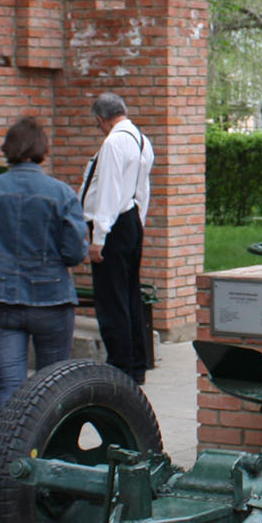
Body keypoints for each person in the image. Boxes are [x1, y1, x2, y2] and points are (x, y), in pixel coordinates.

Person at [0, 117, 89, 415]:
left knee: (9, 384)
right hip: (52, 298)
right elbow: (74, 252)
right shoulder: (60, 193)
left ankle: (6, 456)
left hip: (0, 297)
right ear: (43, 150)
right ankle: (46, 454)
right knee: (53, 385)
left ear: (7, 149)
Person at [79, 93, 155, 383]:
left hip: (112, 225)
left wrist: (98, 238)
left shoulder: (113, 142)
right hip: (131, 221)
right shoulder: (141, 139)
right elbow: (142, 190)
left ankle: (120, 365)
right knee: (129, 294)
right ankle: (136, 363)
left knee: (111, 300)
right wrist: (140, 223)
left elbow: (108, 193)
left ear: (100, 119)